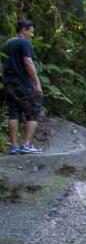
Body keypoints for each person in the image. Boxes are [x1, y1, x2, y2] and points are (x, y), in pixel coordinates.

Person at [2, 19, 43, 154]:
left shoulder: (7, 44)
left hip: (8, 83)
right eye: (31, 32)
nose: (32, 35)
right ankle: (26, 144)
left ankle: (14, 146)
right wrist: (37, 82)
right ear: (24, 30)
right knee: (34, 112)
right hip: (23, 83)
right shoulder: (24, 43)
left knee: (13, 113)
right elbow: (28, 61)